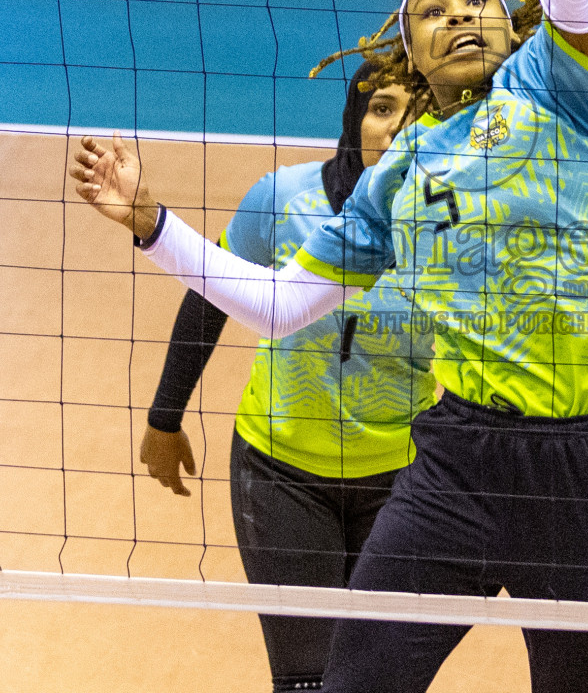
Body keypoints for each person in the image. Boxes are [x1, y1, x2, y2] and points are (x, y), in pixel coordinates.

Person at [73, 0, 588, 693]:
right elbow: (277, 307)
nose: (460, 15)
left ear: (516, 28)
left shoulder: (561, 91)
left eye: (480, 1)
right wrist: (151, 222)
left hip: (585, 467)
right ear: (410, 50)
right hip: (455, 462)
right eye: (431, 9)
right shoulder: (397, 175)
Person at [138, 62, 433, 693]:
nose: (396, 126)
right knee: (305, 682)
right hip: (282, 475)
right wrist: (165, 419)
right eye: (381, 108)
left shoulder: (458, 227)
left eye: (416, 111)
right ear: (353, 122)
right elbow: (207, 297)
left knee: (378, 679)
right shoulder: (282, 198)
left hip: (404, 482)